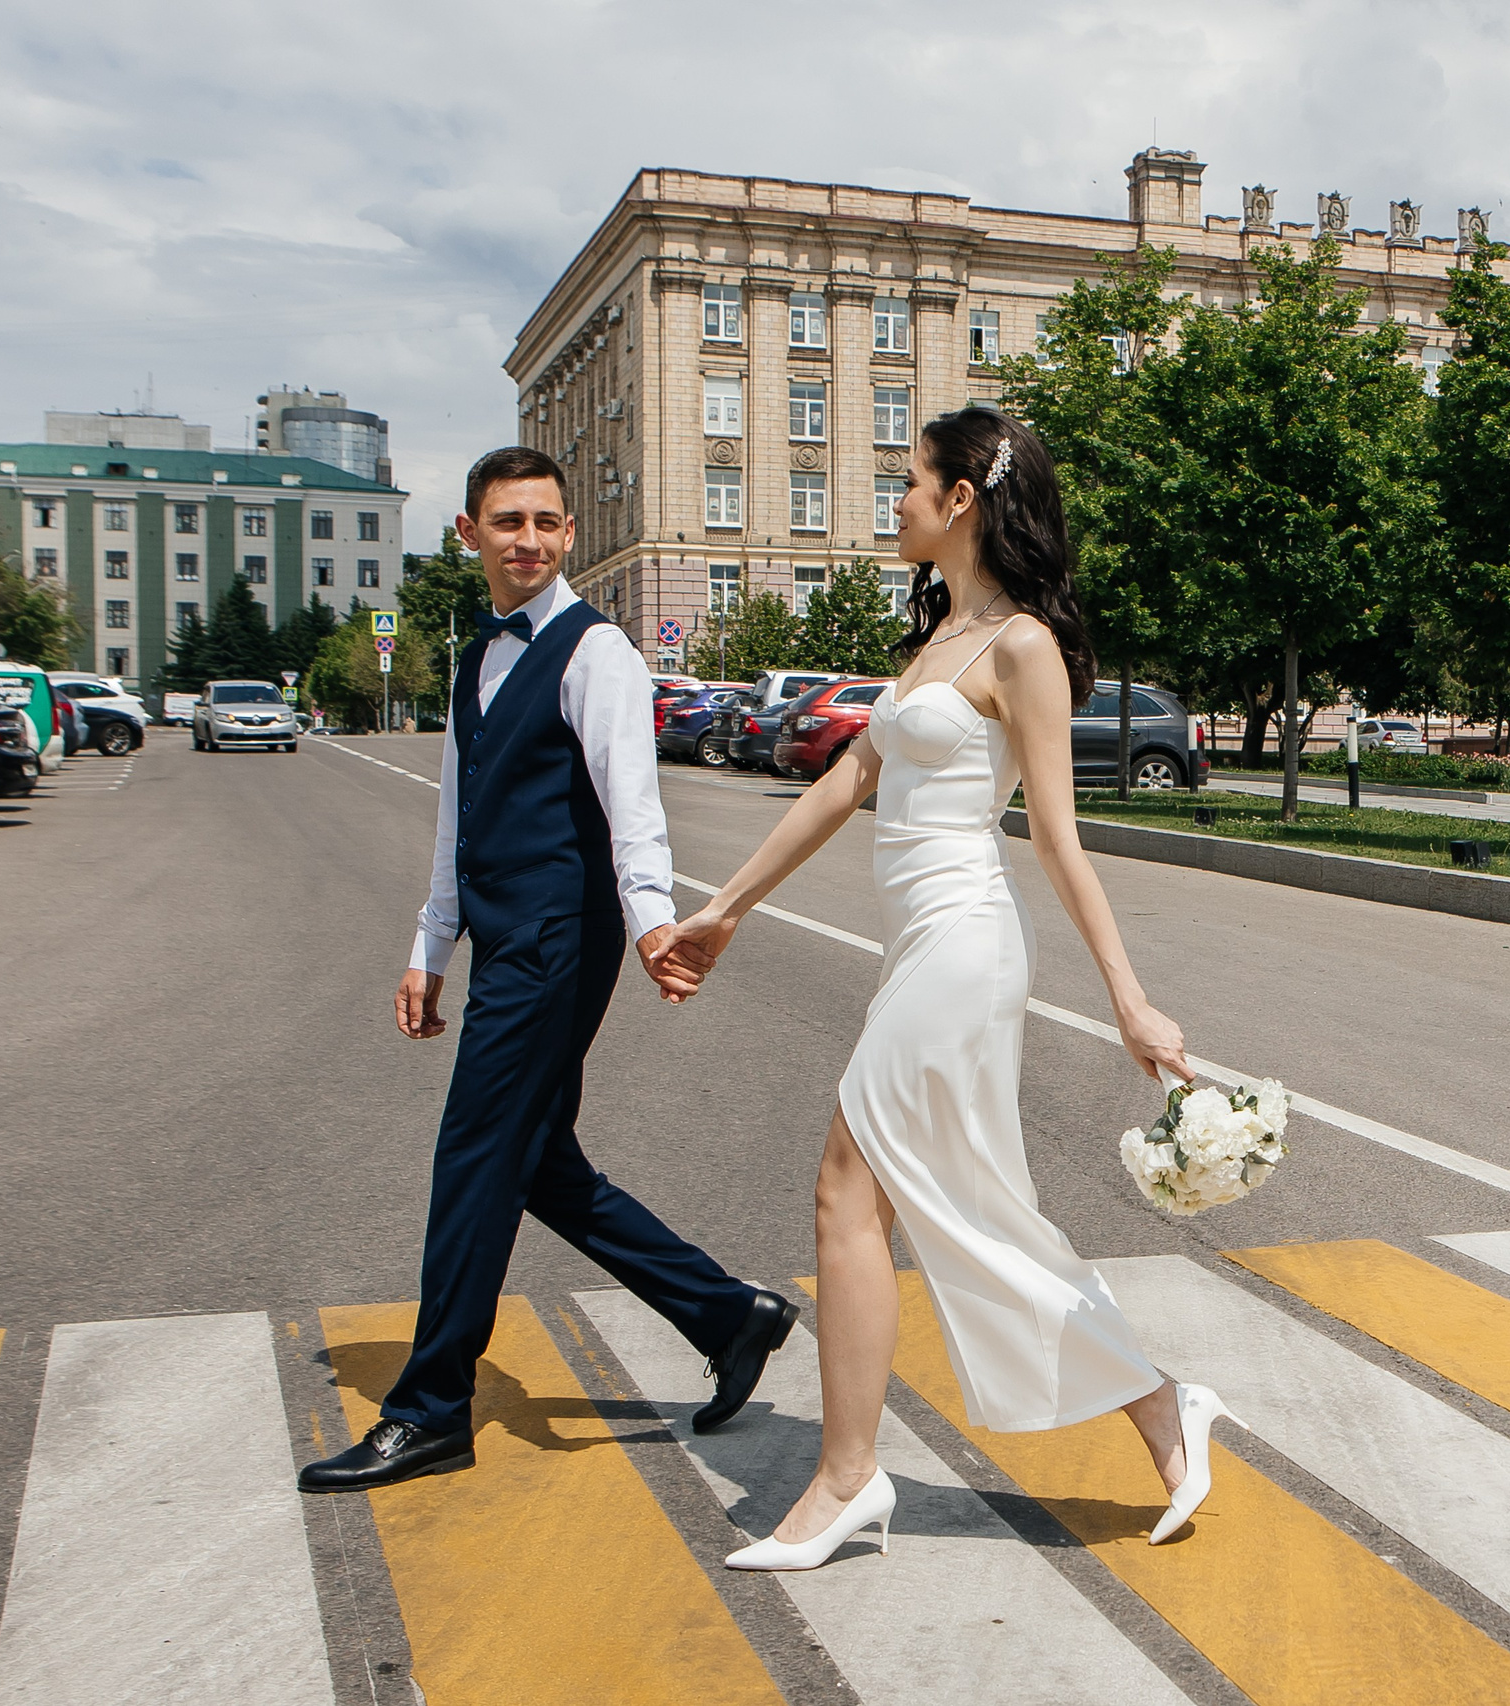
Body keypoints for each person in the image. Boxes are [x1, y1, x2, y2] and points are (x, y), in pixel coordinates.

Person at [657, 408, 1235, 1569]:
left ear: (963, 497)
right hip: (916, 946)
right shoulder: (933, 644)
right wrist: (724, 908)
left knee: (844, 1190)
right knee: (959, 1211)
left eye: (911, 483)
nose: (899, 503)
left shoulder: (1020, 647)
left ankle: (844, 1478)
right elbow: (837, 789)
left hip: (967, 943)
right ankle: (1161, 1403)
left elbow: (1060, 840)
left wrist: (1129, 999)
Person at [299, 446, 798, 1496]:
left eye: (545, 522)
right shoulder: (475, 657)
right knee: (533, 1162)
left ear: (568, 535)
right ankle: (726, 1310)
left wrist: (655, 923)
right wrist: (428, 945)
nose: (527, 538)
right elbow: (458, 813)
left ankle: (431, 1405)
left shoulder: (596, 649)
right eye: (507, 520)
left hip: (559, 942)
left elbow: (633, 801)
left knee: (473, 1157)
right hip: (502, 935)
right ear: (468, 533)